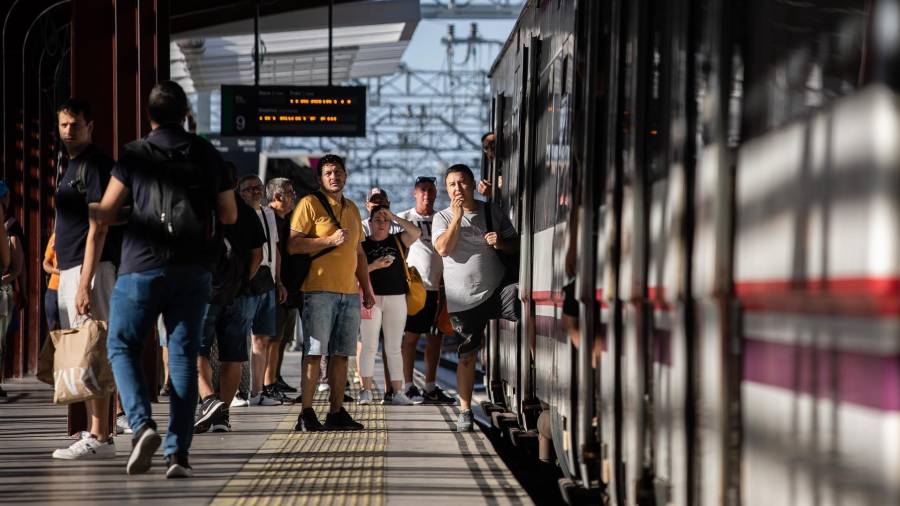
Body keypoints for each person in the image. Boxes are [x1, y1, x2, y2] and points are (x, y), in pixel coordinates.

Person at [76, 81, 237, 478]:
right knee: (183, 358)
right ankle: (177, 454)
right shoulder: (206, 152)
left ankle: (141, 422)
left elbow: (108, 211)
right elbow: (230, 214)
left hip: (141, 265)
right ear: (185, 114)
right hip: (193, 269)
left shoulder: (135, 153)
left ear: (149, 116)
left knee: (123, 344)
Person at [50, 98, 120, 460]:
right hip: (75, 268)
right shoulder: (71, 165)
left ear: (90, 126)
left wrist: (83, 282)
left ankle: (99, 434)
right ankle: (98, 431)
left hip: (89, 269)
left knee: (93, 346)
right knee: (86, 347)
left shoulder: (94, 166)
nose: (68, 131)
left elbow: (100, 226)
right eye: (63, 125)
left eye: (75, 124)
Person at [288, 153, 375, 431]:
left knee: (341, 355)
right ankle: (307, 413)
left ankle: (336, 413)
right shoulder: (309, 204)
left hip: (348, 293)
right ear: (320, 178)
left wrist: (366, 288)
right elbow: (292, 245)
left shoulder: (351, 209)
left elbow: (359, 253)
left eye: (338, 172)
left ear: (345, 175)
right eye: (328, 173)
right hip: (318, 290)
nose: (333, 177)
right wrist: (328, 239)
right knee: (314, 353)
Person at [433, 164, 520, 432]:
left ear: (472, 183)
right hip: (464, 299)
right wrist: (458, 218)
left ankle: (532, 372)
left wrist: (500, 243)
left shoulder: (491, 211)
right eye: (451, 185)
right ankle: (465, 411)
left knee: (526, 304)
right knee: (467, 356)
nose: (457, 188)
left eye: (462, 182)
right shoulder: (443, 217)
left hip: (497, 291)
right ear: (446, 190)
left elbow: (515, 244)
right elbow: (443, 249)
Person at [194, 164, 265, 433]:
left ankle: (209, 400)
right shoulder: (247, 212)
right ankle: (221, 416)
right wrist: (242, 280)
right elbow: (258, 255)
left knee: (197, 351)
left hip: (206, 292)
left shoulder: (202, 209)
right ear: (235, 183)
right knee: (232, 356)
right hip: (239, 293)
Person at [396, 176, 456, 404]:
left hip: (440, 288)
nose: (427, 195)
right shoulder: (405, 217)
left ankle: (430, 386)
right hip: (415, 289)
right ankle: (409, 386)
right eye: (422, 190)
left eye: (431, 190)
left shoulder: (442, 218)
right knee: (411, 337)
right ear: (414, 192)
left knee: (435, 337)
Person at [358, 205, 421, 405]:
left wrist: (393, 216)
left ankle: (397, 392)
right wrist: (376, 265)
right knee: (369, 346)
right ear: (370, 223)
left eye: (385, 220)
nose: (382, 223)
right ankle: (365, 391)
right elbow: (355, 272)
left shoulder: (397, 240)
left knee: (394, 348)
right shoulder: (363, 245)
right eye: (377, 219)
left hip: (397, 298)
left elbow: (416, 232)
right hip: (371, 298)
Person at [237, 175, 286, 406]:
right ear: (239, 192)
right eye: (249, 189)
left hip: (266, 279)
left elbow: (275, 250)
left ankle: (257, 392)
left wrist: (279, 281)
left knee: (262, 338)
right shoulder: (235, 215)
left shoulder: (268, 214)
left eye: (259, 188)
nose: (255, 192)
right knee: (239, 337)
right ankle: (239, 391)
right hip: (244, 279)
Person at [265, 177, 299, 397]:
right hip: (276, 286)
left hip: (288, 287)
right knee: (273, 338)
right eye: (290, 192)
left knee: (283, 338)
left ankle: (275, 378)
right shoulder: (269, 218)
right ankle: (268, 384)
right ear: (277, 197)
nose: (294, 196)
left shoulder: (284, 220)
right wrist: (278, 282)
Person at [42, 233, 61, 333]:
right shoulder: (55, 236)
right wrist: (56, 271)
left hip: (72, 289)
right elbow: (45, 263)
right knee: (54, 332)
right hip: (53, 290)